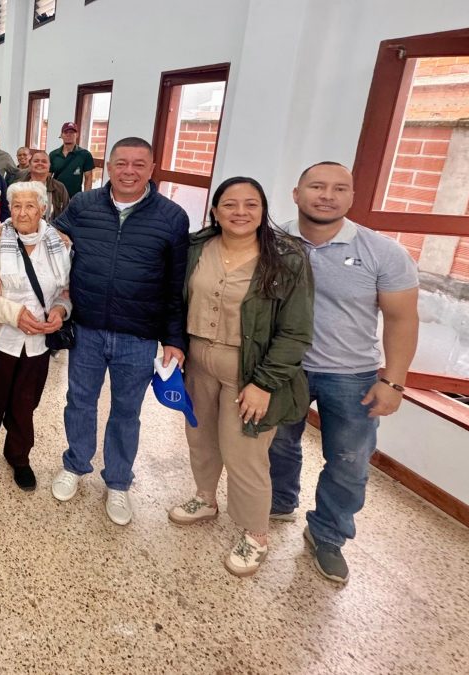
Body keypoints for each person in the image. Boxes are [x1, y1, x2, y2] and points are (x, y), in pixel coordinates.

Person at [268, 161, 419, 584]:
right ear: (297, 194)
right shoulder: (273, 242)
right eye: (317, 186)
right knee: (278, 444)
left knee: (349, 462)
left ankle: (328, 535)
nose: (327, 196)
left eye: (339, 189)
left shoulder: (383, 252)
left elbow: (402, 319)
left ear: (352, 197)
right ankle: (279, 501)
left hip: (351, 375)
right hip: (285, 368)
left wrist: (393, 380)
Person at [169, 177, 314, 578]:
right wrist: (174, 343)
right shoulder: (197, 247)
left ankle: (255, 534)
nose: (240, 212)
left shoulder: (286, 259)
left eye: (251, 204)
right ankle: (205, 498)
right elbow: (176, 300)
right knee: (200, 438)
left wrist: (264, 384)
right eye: (230, 204)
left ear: (263, 211)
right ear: (215, 211)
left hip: (249, 370)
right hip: (198, 361)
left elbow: (296, 331)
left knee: (244, 454)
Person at [51, 137, 189, 526]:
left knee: (127, 411)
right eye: (121, 163)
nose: (129, 171)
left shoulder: (172, 217)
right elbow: (51, 241)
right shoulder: (83, 205)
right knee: (80, 401)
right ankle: (76, 464)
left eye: (139, 164)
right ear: (108, 167)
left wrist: (174, 338)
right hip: (88, 328)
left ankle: (118, 481)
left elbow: (176, 285)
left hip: (139, 335)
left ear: (152, 168)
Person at [0, 181, 73, 493]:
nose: (22, 213)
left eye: (30, 206)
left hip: (36, 346)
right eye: (16, 206)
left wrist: (60, 311)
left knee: (25, 406)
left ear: (43, 209)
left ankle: (18, 457)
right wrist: (15, 315)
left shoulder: (60, 243)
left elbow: (65, 290)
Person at [50, 122, 96, 199]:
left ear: (77, 135)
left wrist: (86, 198)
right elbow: (47, 177)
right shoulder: (53, 155)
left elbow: (88, 178)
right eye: (66, 132)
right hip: (55, 197)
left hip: (75, 198)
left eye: (72, 132)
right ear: (61, 135)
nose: (68, 134)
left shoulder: (85, 154)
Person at [22, 149, 69, 220]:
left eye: (44, 161)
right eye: (36, 161)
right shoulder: (19, 187)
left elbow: (67, 214)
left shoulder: (59, 188)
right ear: (30, 165)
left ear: (49, 166)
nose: (40, 163)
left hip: (52, 226)